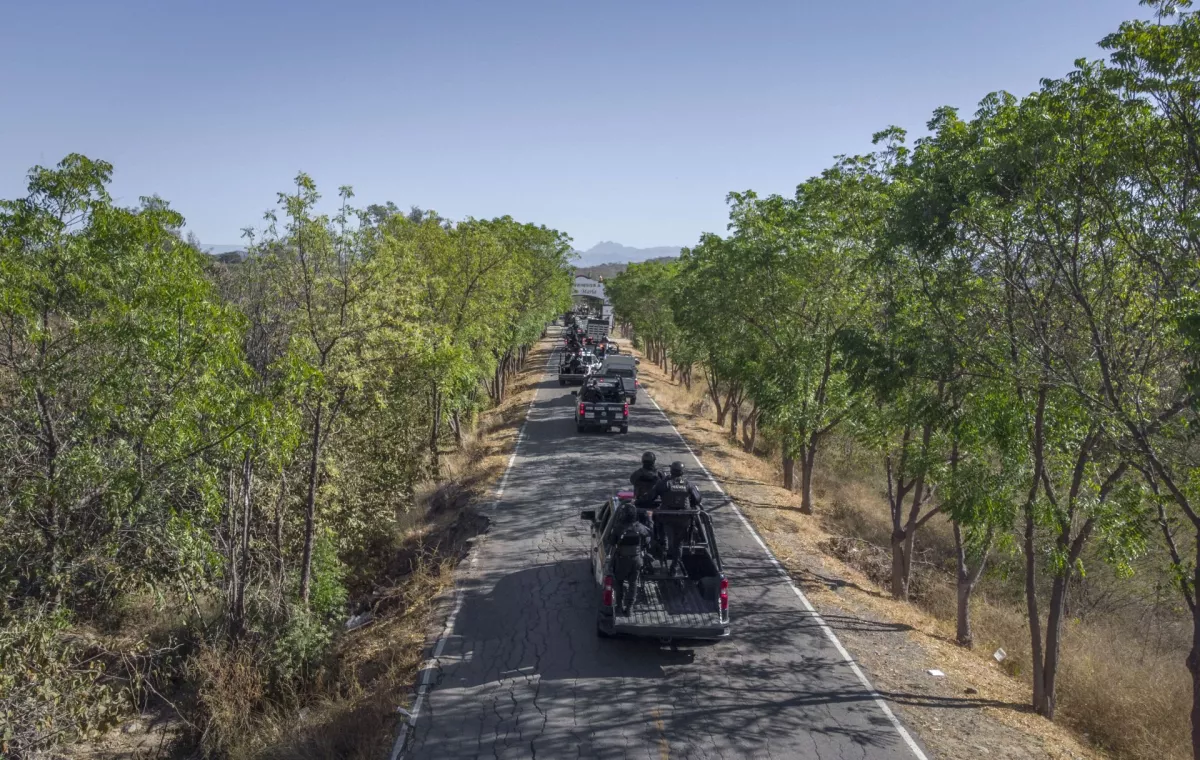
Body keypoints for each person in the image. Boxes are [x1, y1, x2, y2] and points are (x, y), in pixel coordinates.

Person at [650, 462, 703, 576]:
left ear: (671, 471)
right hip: (683, 519)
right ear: (682, 472)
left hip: (666, 518)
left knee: (656, 522)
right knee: (678, 544)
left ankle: (662, 544)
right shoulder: (688, 484)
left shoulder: (664, 483)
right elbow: (697, 499)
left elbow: (651, 497)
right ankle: (674, 567)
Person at [611, 501, 654, 615]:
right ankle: (629, 608)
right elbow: (648, 538)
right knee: (633, 583)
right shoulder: (640, 528)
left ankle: (619, 606)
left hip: (621, 560)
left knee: (619, 583)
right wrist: (649, 519)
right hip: (636, 560)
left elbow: (610, 542)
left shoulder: (618, 528)